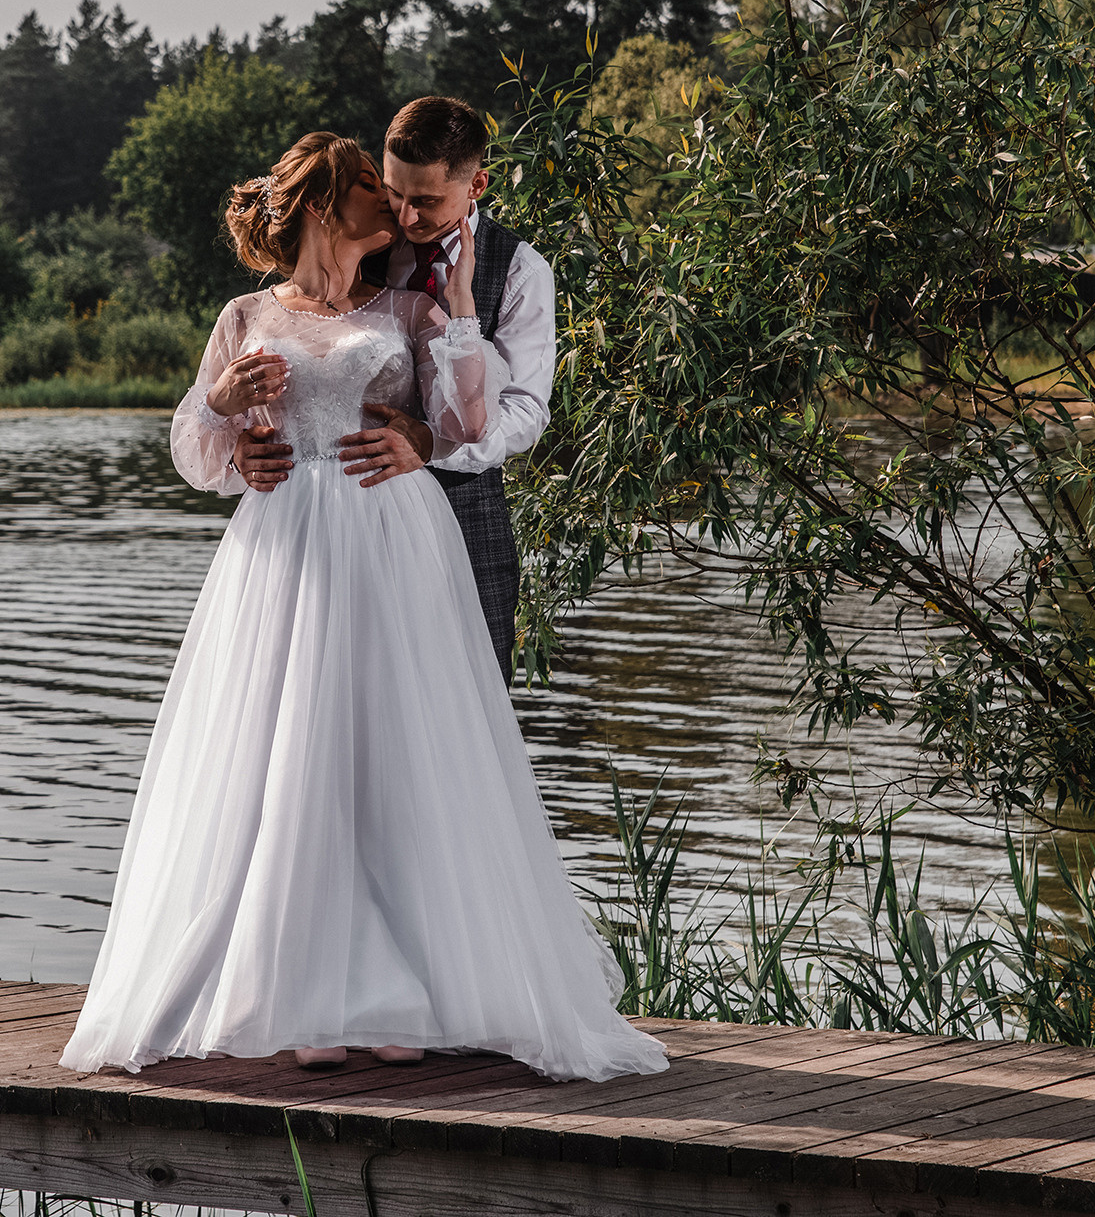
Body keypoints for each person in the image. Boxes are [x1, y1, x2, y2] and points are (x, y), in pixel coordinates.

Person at [58, 131, 667, 1083]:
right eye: (377, 195)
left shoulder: (419, 304)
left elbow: (479, 420)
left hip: (394, 539)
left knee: (405, 751)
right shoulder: (246, 313)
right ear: (323, 205)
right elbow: (195, 442)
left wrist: (450, 355)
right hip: (286, 547)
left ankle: (422, 990)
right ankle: (302, 989)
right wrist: (224, 414)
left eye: (410, 198)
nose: (396, 211)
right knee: (292, 755)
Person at [232, 96, 555, 680]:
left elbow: (526, 412)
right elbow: (296, 329)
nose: (405, 216)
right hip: (339, 534)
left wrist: (432, 443)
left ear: (476, 184)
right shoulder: (363, 239)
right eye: (394, 192)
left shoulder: (520, 269)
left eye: (426, 201)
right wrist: (243, 444)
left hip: (464, 513)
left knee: (465, 716)